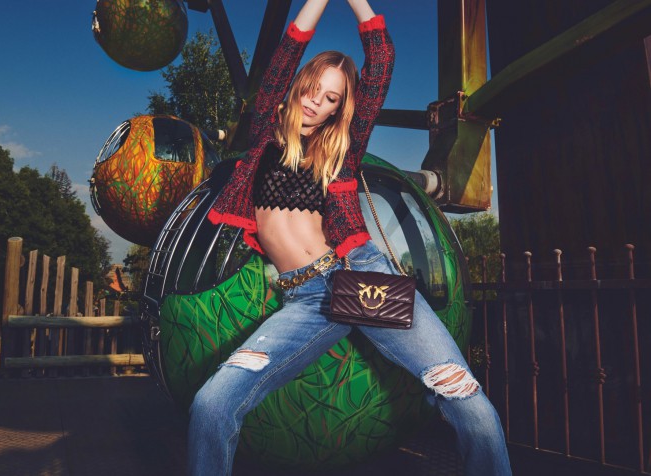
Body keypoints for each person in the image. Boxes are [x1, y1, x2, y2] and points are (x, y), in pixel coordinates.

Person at [190, 1, 512, 475]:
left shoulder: (341, 152)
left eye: (331, 98)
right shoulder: (262, 136)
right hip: (306, 301)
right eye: (312, 89)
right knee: (212, 403)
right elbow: (287, 51)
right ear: (298, 86)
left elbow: (380, 64)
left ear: (340, 108)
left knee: (466, 400)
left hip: (362, 280)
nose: (315, 102)